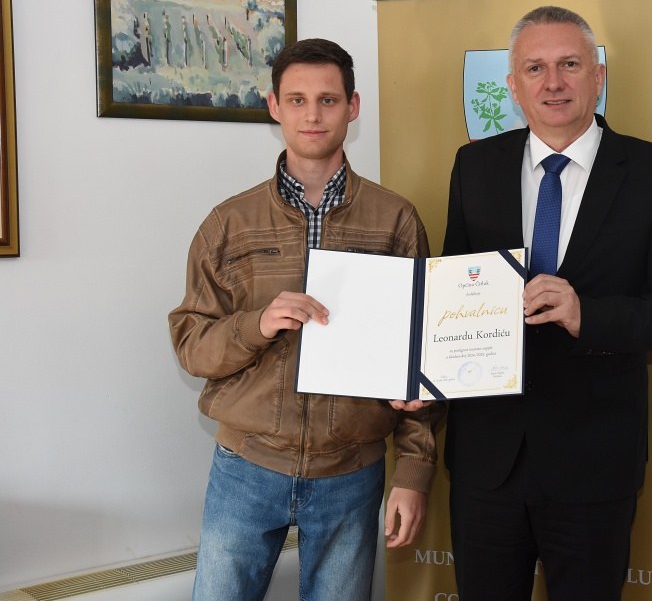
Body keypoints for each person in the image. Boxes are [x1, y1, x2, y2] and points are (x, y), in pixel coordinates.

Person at [441, 6, 652, 600]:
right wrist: (421, 374)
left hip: (594, 463)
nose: (553, 82)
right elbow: (450, 296)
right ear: (513, 86)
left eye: (569, 64)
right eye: (534, 68)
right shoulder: (475, 167)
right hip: (487, 460)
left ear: (598, 76)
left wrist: (585, 314)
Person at [168, 38, 445, 601]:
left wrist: (414, 473)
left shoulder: (395, 220)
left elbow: (423, 360)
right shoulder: (229, 223)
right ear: (274, 106)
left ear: (353, 106)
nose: (312, 115)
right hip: (246, 466)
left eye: (328, 100)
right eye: (296, 100)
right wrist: (257, 324)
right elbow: (192, 347)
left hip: (352, 472)